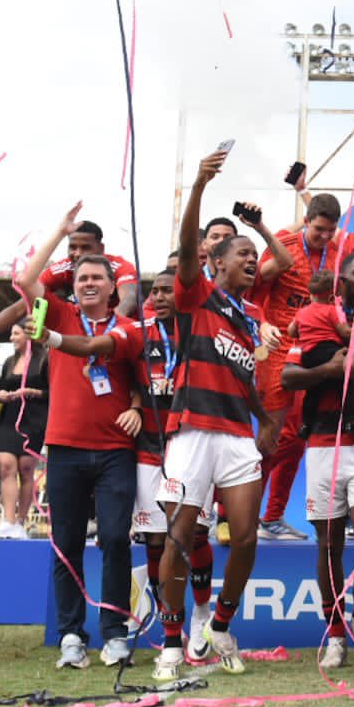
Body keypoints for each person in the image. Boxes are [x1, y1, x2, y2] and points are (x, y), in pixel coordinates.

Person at [60, 149, 278, 680]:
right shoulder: (196, 294)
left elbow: (243, 376)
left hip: (235, 435)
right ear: (217, 263)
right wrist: (199, 187)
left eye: (255, 254)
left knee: (245, 537)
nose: (252, 260)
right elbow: (185, 249)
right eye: (242, 253)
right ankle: (174, 643)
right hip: (189, 436)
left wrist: (265, 417)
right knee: (179, 538)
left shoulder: (250, 319)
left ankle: (220, 623)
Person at [17, 203, 147, 670]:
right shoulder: (59, 316)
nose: (89, 283)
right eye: (81, 278)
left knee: (114, 539)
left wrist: (133, 407)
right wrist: (60, 230)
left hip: (115, 451)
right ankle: (72, 633)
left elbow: (141, 382)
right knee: (66, 542)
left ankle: (114, 632)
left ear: (114, 288)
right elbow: (27, 281)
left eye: (98, 278)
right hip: (66, 447)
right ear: (72, 287)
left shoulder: (130, 328)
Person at [282, 252, 354, 669]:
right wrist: (330, 368)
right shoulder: (312, 324)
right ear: (342, 284)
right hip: (323, 444)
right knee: (328, 544)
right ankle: (335, 631)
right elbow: (288, 378)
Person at [128, 269, 219, 661]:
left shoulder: (200, 328)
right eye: (156, 291)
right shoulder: (140, 333)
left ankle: (201, 614)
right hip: (149, 447)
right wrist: (134, 403)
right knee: (156, 539)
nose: (162, 297)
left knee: (194, 535)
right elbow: (125, 374)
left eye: (170, 290)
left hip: (192, 442)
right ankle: (169, 625)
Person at [254, 192, 340, 543]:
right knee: (271, 435)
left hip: (315, 353)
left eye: (330, 231)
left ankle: (272, 518)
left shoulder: (339, 252)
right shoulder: (283, 245)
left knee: (295, 439)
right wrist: (261, 323)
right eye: (319, 230)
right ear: (307, 221)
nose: (324, 237)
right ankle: (232, 513)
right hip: (277, 348)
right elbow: (254, 292)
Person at [0, 323, 48, 538]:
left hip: (33, 421)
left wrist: (33, 392)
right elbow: (1, 386)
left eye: (15, 333)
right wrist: (1, 393)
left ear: (28, 334)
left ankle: (20, 522)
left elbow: (53, 391)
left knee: (25, 470)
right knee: (6, 466)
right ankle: (8, 519)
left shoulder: (44, 361)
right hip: (9, 419)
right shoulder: (9, 362)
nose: (12, 337)